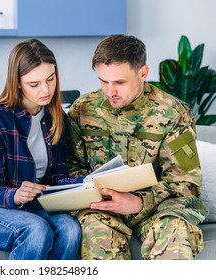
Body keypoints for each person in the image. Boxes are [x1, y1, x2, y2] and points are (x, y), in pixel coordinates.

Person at [67, 34, 208, 260]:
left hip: (158, 209)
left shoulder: (174, 113)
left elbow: (187, 182)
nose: (110, 91)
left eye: (119, 82)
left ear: (143, 73)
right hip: (101, 209)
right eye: (103, 81)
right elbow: (72, 168)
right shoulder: (83, 110)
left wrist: (140, 202)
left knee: (176, 234)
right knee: (96, 234)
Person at [0, 38, 83, 260]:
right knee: (36, 229)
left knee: (70, 228)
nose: (46, 90)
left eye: (50, 79)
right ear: (17, 83)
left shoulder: (57, 118)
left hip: (31, 207)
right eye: (34, 84)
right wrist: (15, 195)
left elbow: (57, 178)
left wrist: (88, 183)